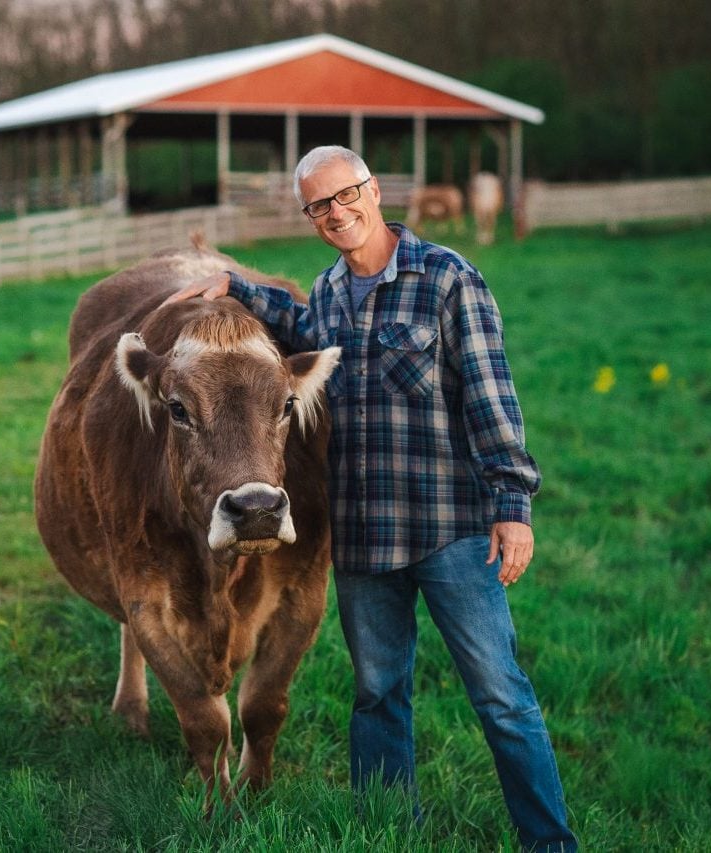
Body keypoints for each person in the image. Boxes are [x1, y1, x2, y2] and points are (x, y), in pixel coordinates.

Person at [164, 145, 577, 852]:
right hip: (363, 539)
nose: (335, 212)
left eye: (344, 194)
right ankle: (390, 832)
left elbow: (491, 394)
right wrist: (231, 283)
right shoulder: (324, 296)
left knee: (501, 697)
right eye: (318, 205)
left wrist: (512, 504)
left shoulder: (447, 278)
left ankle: (548, 841)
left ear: (373, 190)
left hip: (451, 528)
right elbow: (287, 336)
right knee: (378, 695)